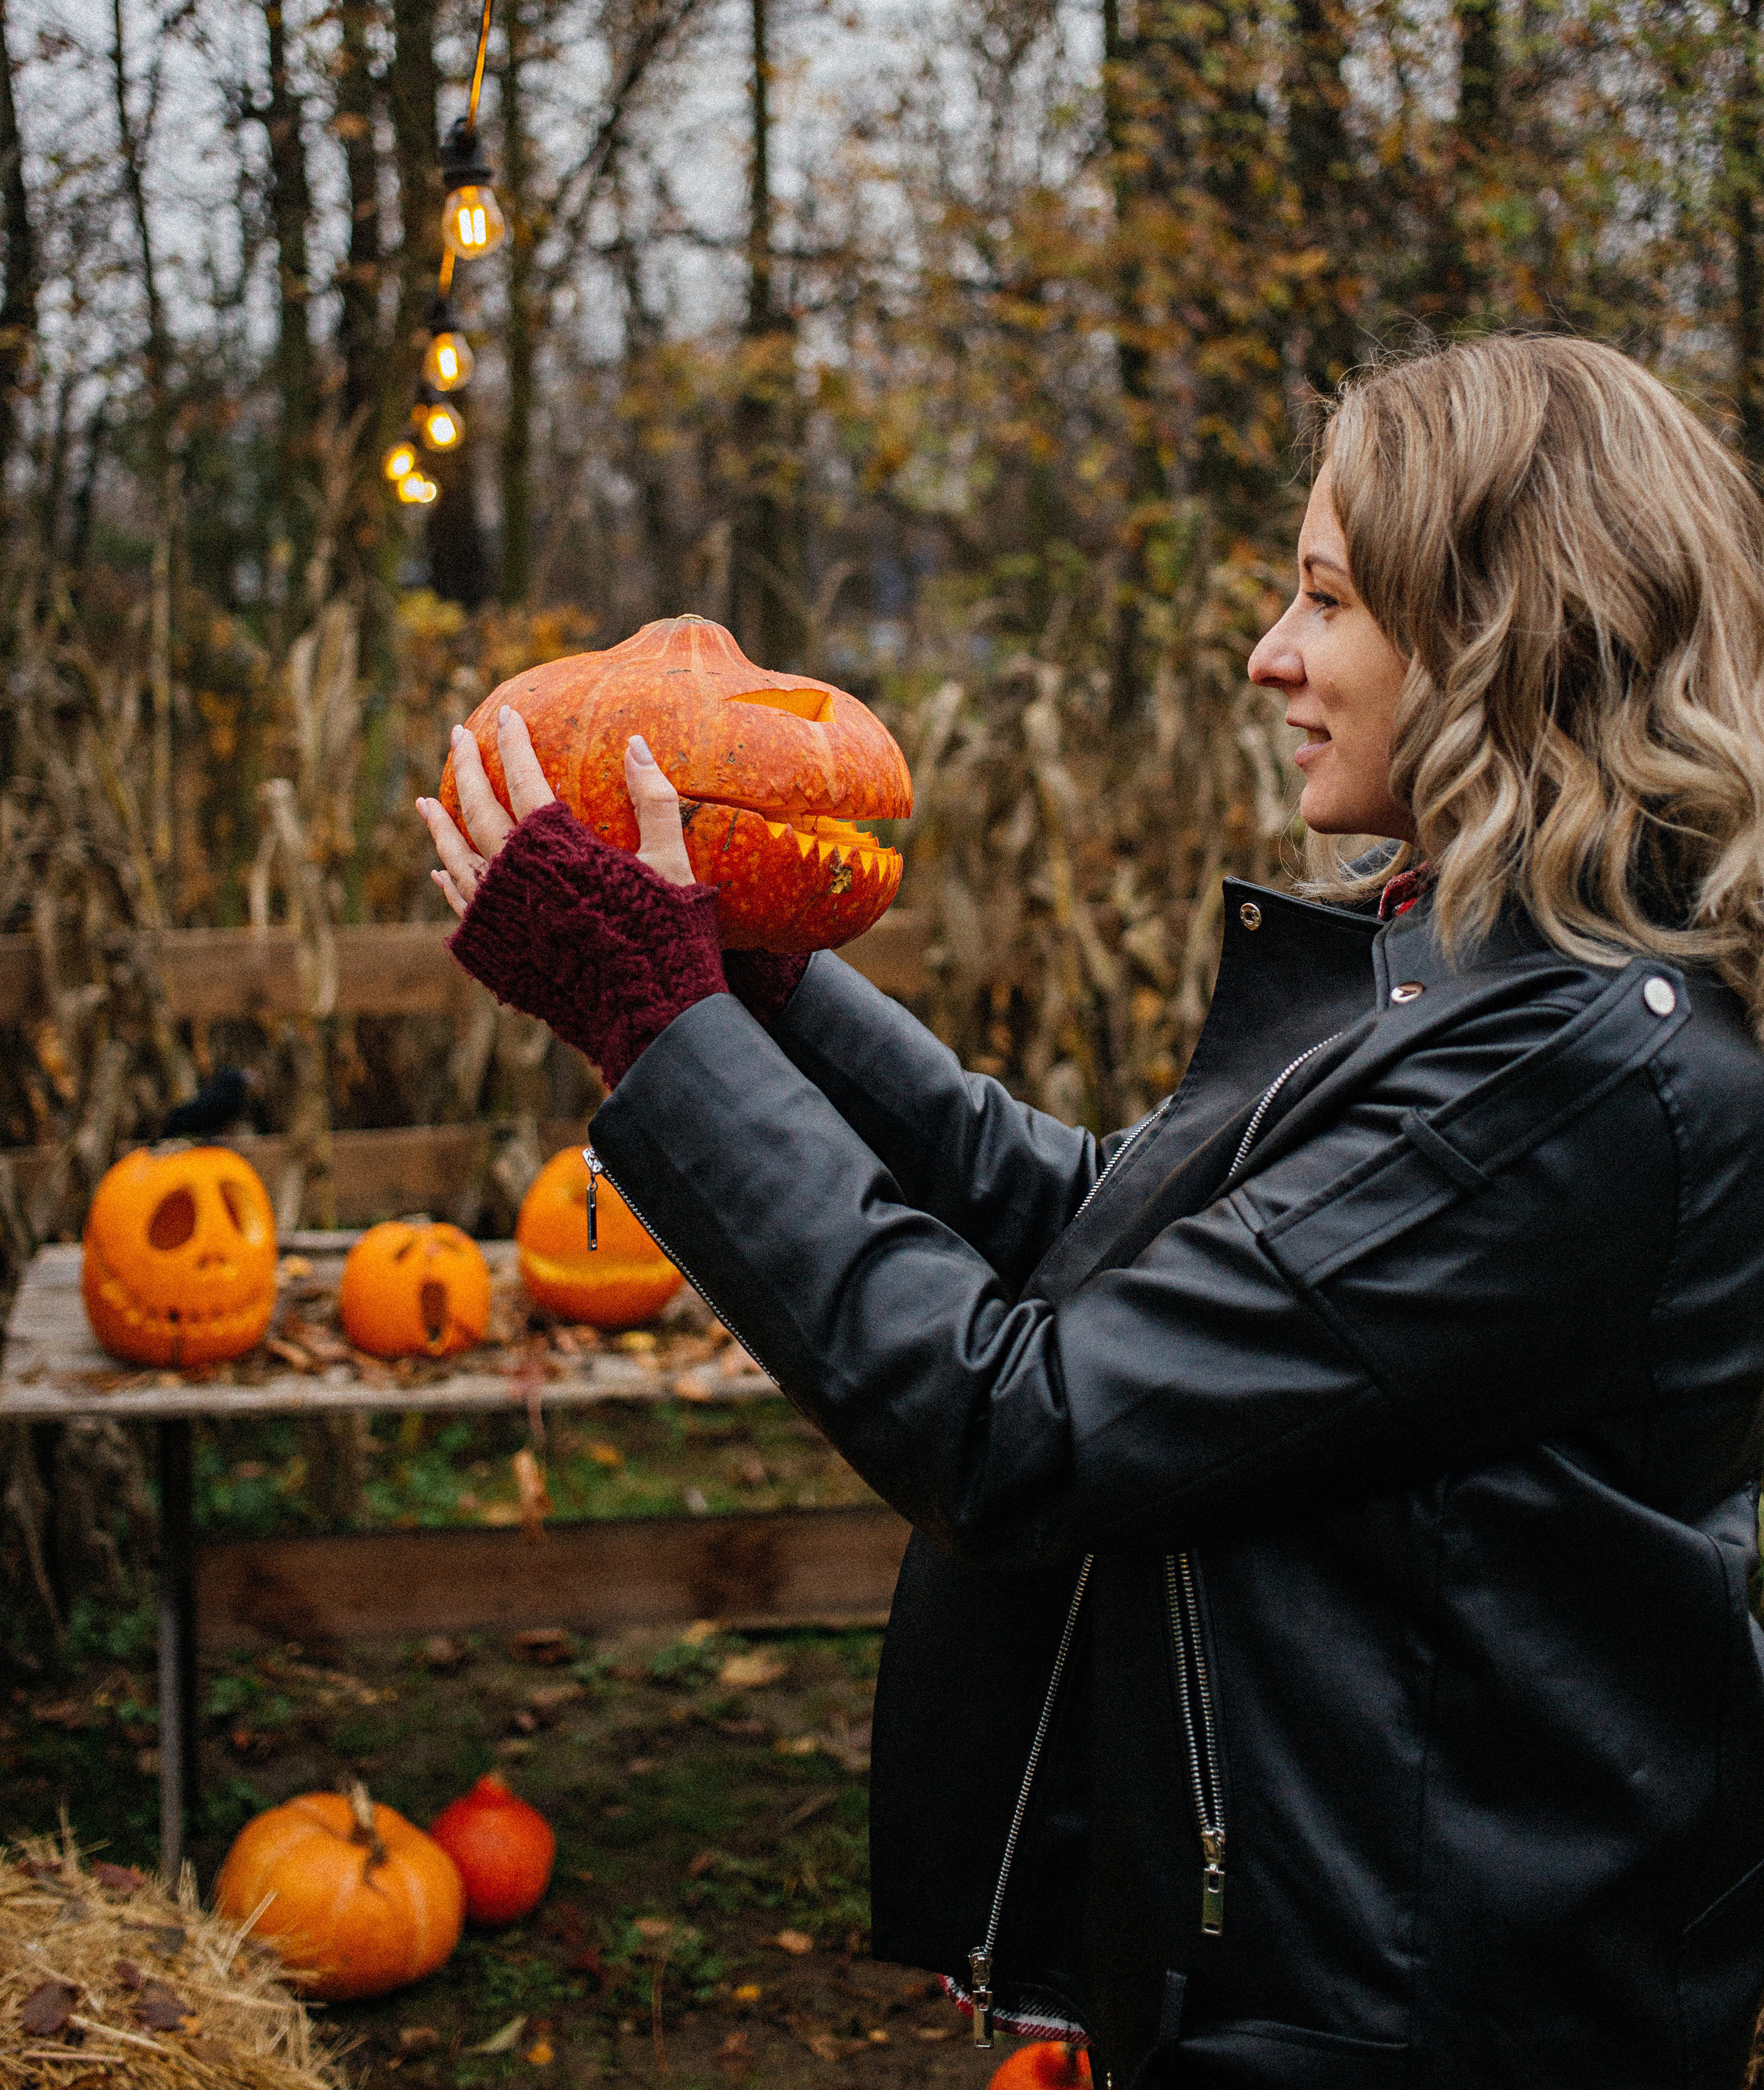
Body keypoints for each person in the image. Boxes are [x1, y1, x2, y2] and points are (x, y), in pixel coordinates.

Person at [417, 336, 1764, 2089]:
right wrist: (749, 986)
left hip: (1417, 2007)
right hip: (1322, 1952)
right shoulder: (1491, 975)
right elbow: (1100, 1229)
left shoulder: (1573, 1077)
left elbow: (1023, 1422)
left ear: (1509, 632)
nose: (1272, 656)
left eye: (1330, 600)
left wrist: (656, 1028)